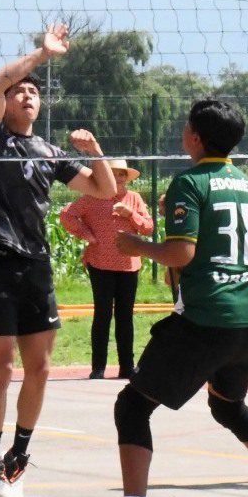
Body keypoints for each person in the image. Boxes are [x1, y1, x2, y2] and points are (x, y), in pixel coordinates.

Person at [109, 99, 248, 497]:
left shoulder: (189, 180)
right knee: (227, 406)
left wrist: (136, 246)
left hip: (207, 320)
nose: (182, 131)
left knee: (131, 408)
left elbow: (182, 253)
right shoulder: (245, 182)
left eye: (186, 126)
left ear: (196, 137)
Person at [0, 23, 117, 497]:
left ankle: (19, 453)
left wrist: (94, 153)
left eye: (34, 92)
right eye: (21, 91)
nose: (27, 95)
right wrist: (43, 54)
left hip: (36, 265)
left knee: (41, 367)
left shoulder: (49, 152)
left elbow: (105, 191)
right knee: (2, 366)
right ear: (7, 103)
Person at [59, 159, 154, 379]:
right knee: (102, 314)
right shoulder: (92, 198)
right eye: (113, 174)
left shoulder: (134, 199)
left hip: (129, 265)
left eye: (122, 174)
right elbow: (66, 215)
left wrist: (130, 215)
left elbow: (148, 228)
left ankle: (127, 367)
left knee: (125, 316)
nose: (118, 179)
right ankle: (98, 367)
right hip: (100, 263)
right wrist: (87, 235)